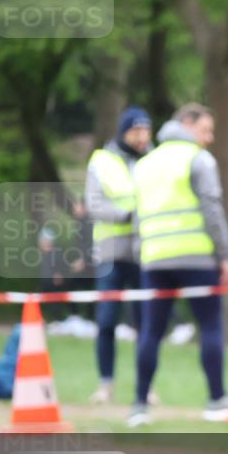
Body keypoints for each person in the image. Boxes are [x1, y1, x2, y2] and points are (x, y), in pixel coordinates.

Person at [129, 103, 228, 427]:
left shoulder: (145, 164)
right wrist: (224, 254)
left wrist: (142, 253)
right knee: (211, 326)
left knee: (150, 330)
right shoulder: (199, 159)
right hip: (196, 257)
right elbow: (212, 210)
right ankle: (216, 399)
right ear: (186, 124)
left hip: (154, 258)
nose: (210, 138)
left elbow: (137, 215)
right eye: (205, 130)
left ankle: (139, 404)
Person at [84, 106, 151, 403]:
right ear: (124, 132)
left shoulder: (154, 161)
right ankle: (106, 384)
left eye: (146, 131)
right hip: (111, 253)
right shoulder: (102, 161)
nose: (142, 137)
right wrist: (127, 215)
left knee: (145, 323)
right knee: (107, 320)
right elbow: (94, 205)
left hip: (143, 252)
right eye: (136, 131)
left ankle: (146, 387)